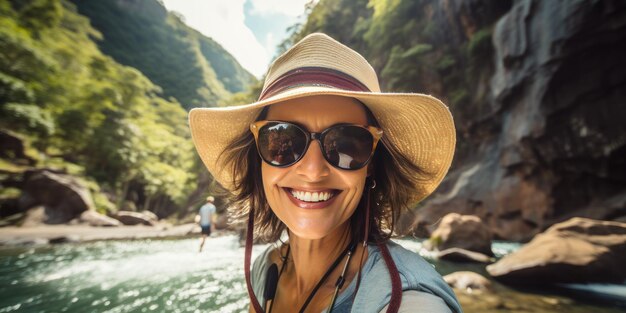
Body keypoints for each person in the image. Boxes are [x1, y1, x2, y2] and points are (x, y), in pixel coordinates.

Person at [188, 33, 462, 312]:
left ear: (371, 166)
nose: (312, 170)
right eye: (284, 142)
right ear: (258, 161)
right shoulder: (265, 270)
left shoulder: (409, 300)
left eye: (346, 144)